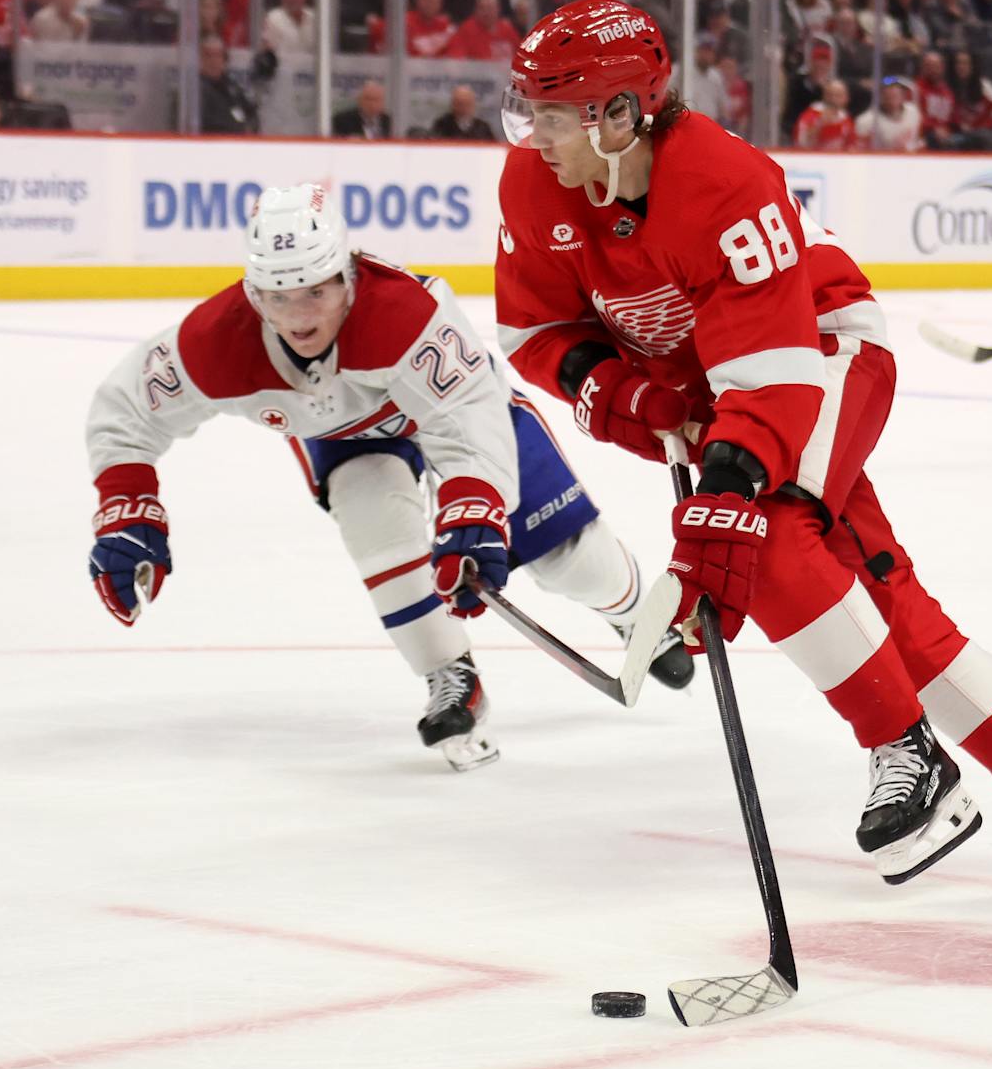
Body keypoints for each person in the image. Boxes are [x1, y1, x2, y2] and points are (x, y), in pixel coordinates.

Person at [494, 0, 992, 892]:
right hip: (718, 389)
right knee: (879, 600)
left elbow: (772, 382)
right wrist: (633, 398)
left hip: (819, 353)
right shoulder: (533, 185)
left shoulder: (725, 182)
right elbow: (537, 330)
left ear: (619, 113)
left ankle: (907, 752)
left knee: (765, 533)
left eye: (553, 113)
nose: (533, 134)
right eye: (531, 109)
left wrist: (716, 517)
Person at [85, 183, 691, 771]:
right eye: (278, 297)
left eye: (316, 291)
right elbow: (127, 408)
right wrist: (126, 504)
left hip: (460, 416)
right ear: (253, 293)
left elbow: (465, 414)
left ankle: (633, 612)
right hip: (347, 439)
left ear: (347, 276)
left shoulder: (404, 314)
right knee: (375, 523)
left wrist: (474, 505)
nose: (299, 316)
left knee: (565, 557)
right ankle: (450, 674)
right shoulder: (218, 339)